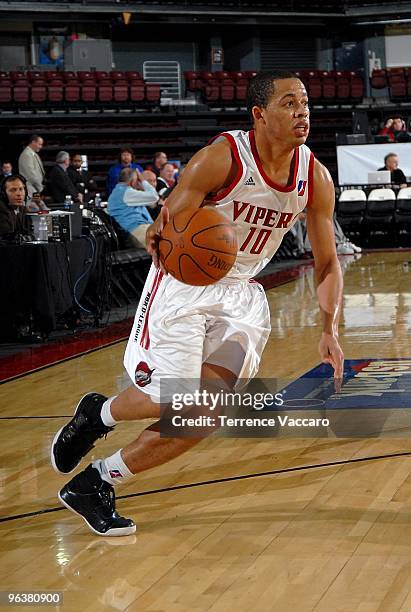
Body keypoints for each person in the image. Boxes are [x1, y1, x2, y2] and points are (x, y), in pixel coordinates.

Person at [51, 70, 344, 536]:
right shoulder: (223, 156)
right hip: (185, 282)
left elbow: (328, 263)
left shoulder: (315, 177)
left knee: (206, 412)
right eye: (289, 103)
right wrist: (159, 232)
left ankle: (97, 481)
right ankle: (98, 415)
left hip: (243, 292)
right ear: (259, 115)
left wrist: (329, 329)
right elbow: (172, 214)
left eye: (305, 103)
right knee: (170, 397)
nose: (302, 112)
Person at [107, 167, 159, 248]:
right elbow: (154, 197)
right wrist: (143, 181)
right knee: (168, 242)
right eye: (137, 179)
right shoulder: (126, 192)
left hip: (139, 229)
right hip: (135, 231)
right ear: (133, 181)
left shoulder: (120, 192)